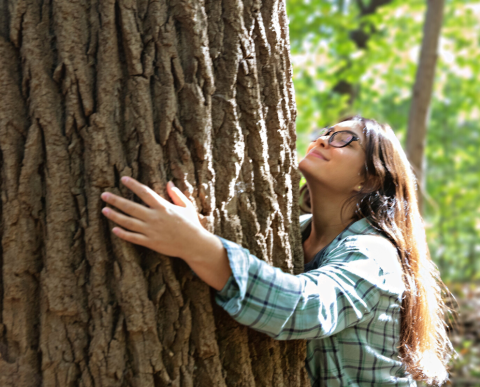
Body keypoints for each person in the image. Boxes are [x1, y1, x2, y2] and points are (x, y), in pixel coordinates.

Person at [100, 116, 453, 386]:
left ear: (370, 179)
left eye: (345, 139)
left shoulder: (374, 254)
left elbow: (305, 309)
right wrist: (200, 232)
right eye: (327, 132)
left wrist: (194, 245)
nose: (325, 140)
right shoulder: (294, 232)